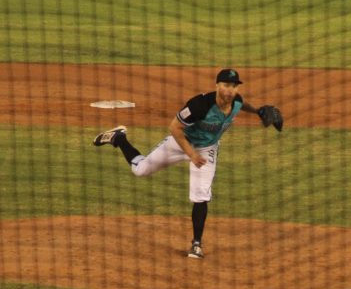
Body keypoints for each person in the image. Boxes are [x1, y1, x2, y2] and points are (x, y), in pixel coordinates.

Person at [92, 69, 282, 259]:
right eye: (226, 85)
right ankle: (119, 138)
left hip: (206, 149)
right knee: (140, 170)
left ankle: (196, 244)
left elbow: (241, 103)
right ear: (217, 85)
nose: (230, 90)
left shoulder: (236, 101)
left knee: (201, 194)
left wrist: (258, 111)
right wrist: (191, 153)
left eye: (233, 86)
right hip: (180, 143)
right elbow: (174, 127)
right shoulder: (199, 105)